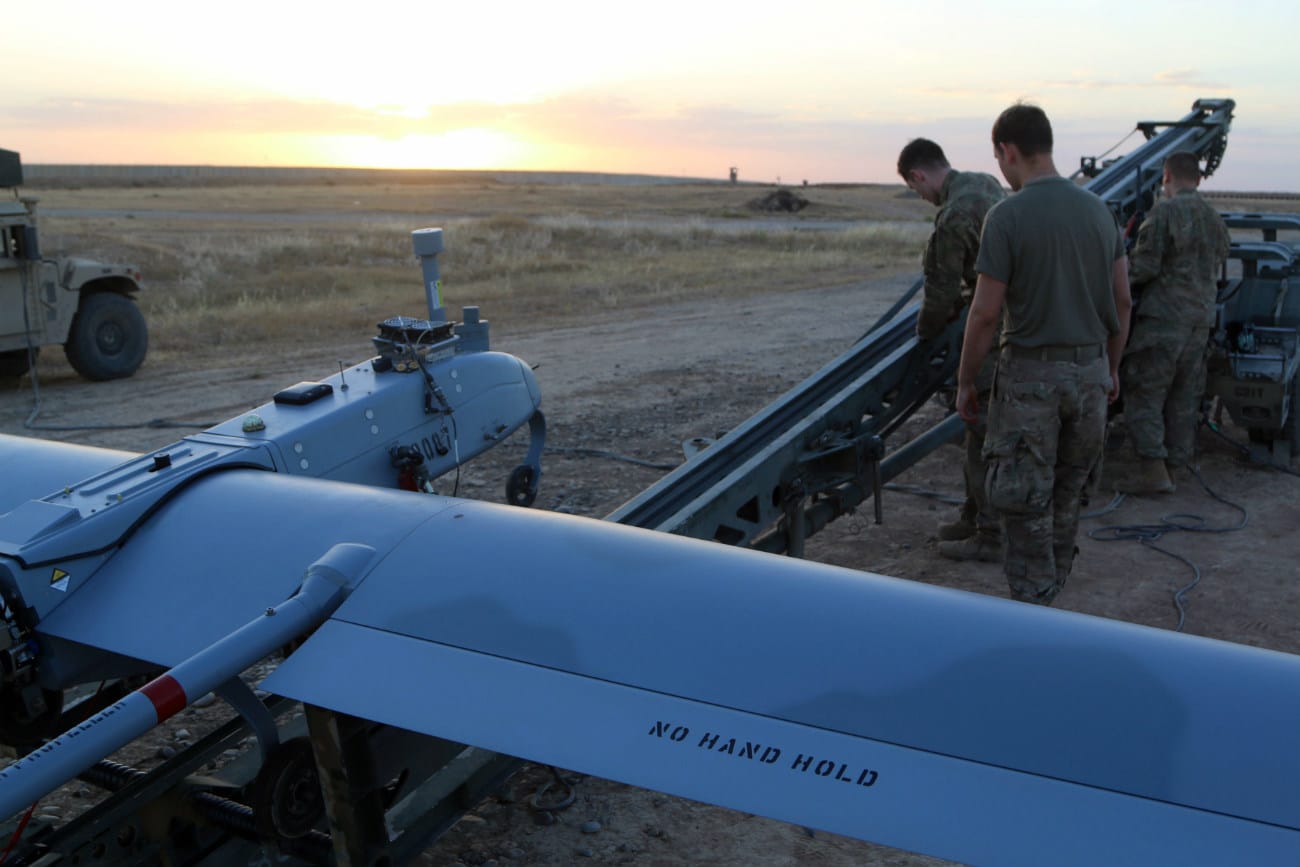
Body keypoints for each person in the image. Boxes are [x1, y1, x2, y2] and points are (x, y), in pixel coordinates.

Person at [956, 103, 1132, 605]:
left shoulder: (1008, 216)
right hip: (1092, 375)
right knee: (1068, 493)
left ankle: (1033, 603)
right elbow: (1122, 301)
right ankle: (1053, 589)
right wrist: (1112, 368)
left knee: (1024, 497)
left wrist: (967, 382)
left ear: (1007, 151)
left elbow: (985, 314)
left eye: (1000, 160)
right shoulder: (1100, 212)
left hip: (1031, 378)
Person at [896, 138, 1006, 562]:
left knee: (979, 430)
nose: (921, 197)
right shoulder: (985, 182)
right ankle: (973, 515)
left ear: (919, 176)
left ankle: (989, 534)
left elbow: (940, 294)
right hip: (1008, 323)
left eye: (915, 188)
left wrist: (924, 338)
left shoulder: (955, 215)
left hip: (988, 336)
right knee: (980, 431)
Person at [1116, 151, 1231, 493]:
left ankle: (1153, 470)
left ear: (1165, 176)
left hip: (1163, 321)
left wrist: (1117, 273)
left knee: (1144, 392)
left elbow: (1144, 268)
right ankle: (1176, 465)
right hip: (1200, 321)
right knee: (1184, 395)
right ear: (1197, 178)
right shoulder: (1215, 219)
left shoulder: (1163, 213)